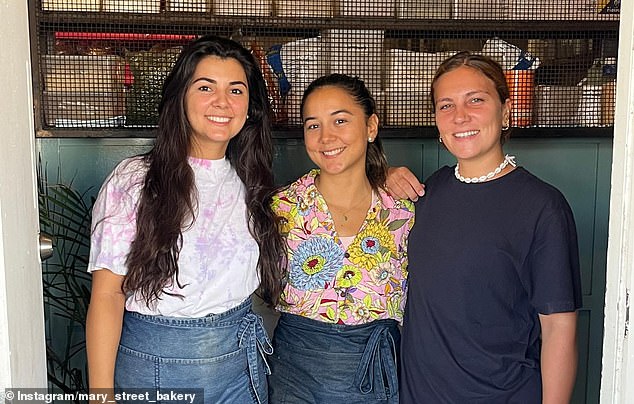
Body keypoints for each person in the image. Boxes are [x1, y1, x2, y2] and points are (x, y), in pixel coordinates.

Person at [85, 35, 286, 404]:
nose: (222, 102)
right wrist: (102, 396)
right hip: (159, 367)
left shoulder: (253, 183)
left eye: (236, 90)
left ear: (250, 107)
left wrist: (383, 176)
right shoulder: (136, 180)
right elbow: (107, 294)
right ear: (180, 96)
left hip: (240, 363)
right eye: (205, 86)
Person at [387, 51, 582, 403]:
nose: (460, 116)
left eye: (476, 100)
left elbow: (559, 331)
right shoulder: (427, 192)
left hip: (503, 394)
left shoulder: (542, 207)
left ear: (506, 110)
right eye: (446, 105)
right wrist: (383, 175)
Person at [267, 74, 415, 403]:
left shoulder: (403, 212)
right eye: (313, 125)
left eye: (340, 120)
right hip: (296, 374)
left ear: (371, 126)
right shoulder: (281, 208)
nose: (326, 137)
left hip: (375, 372)